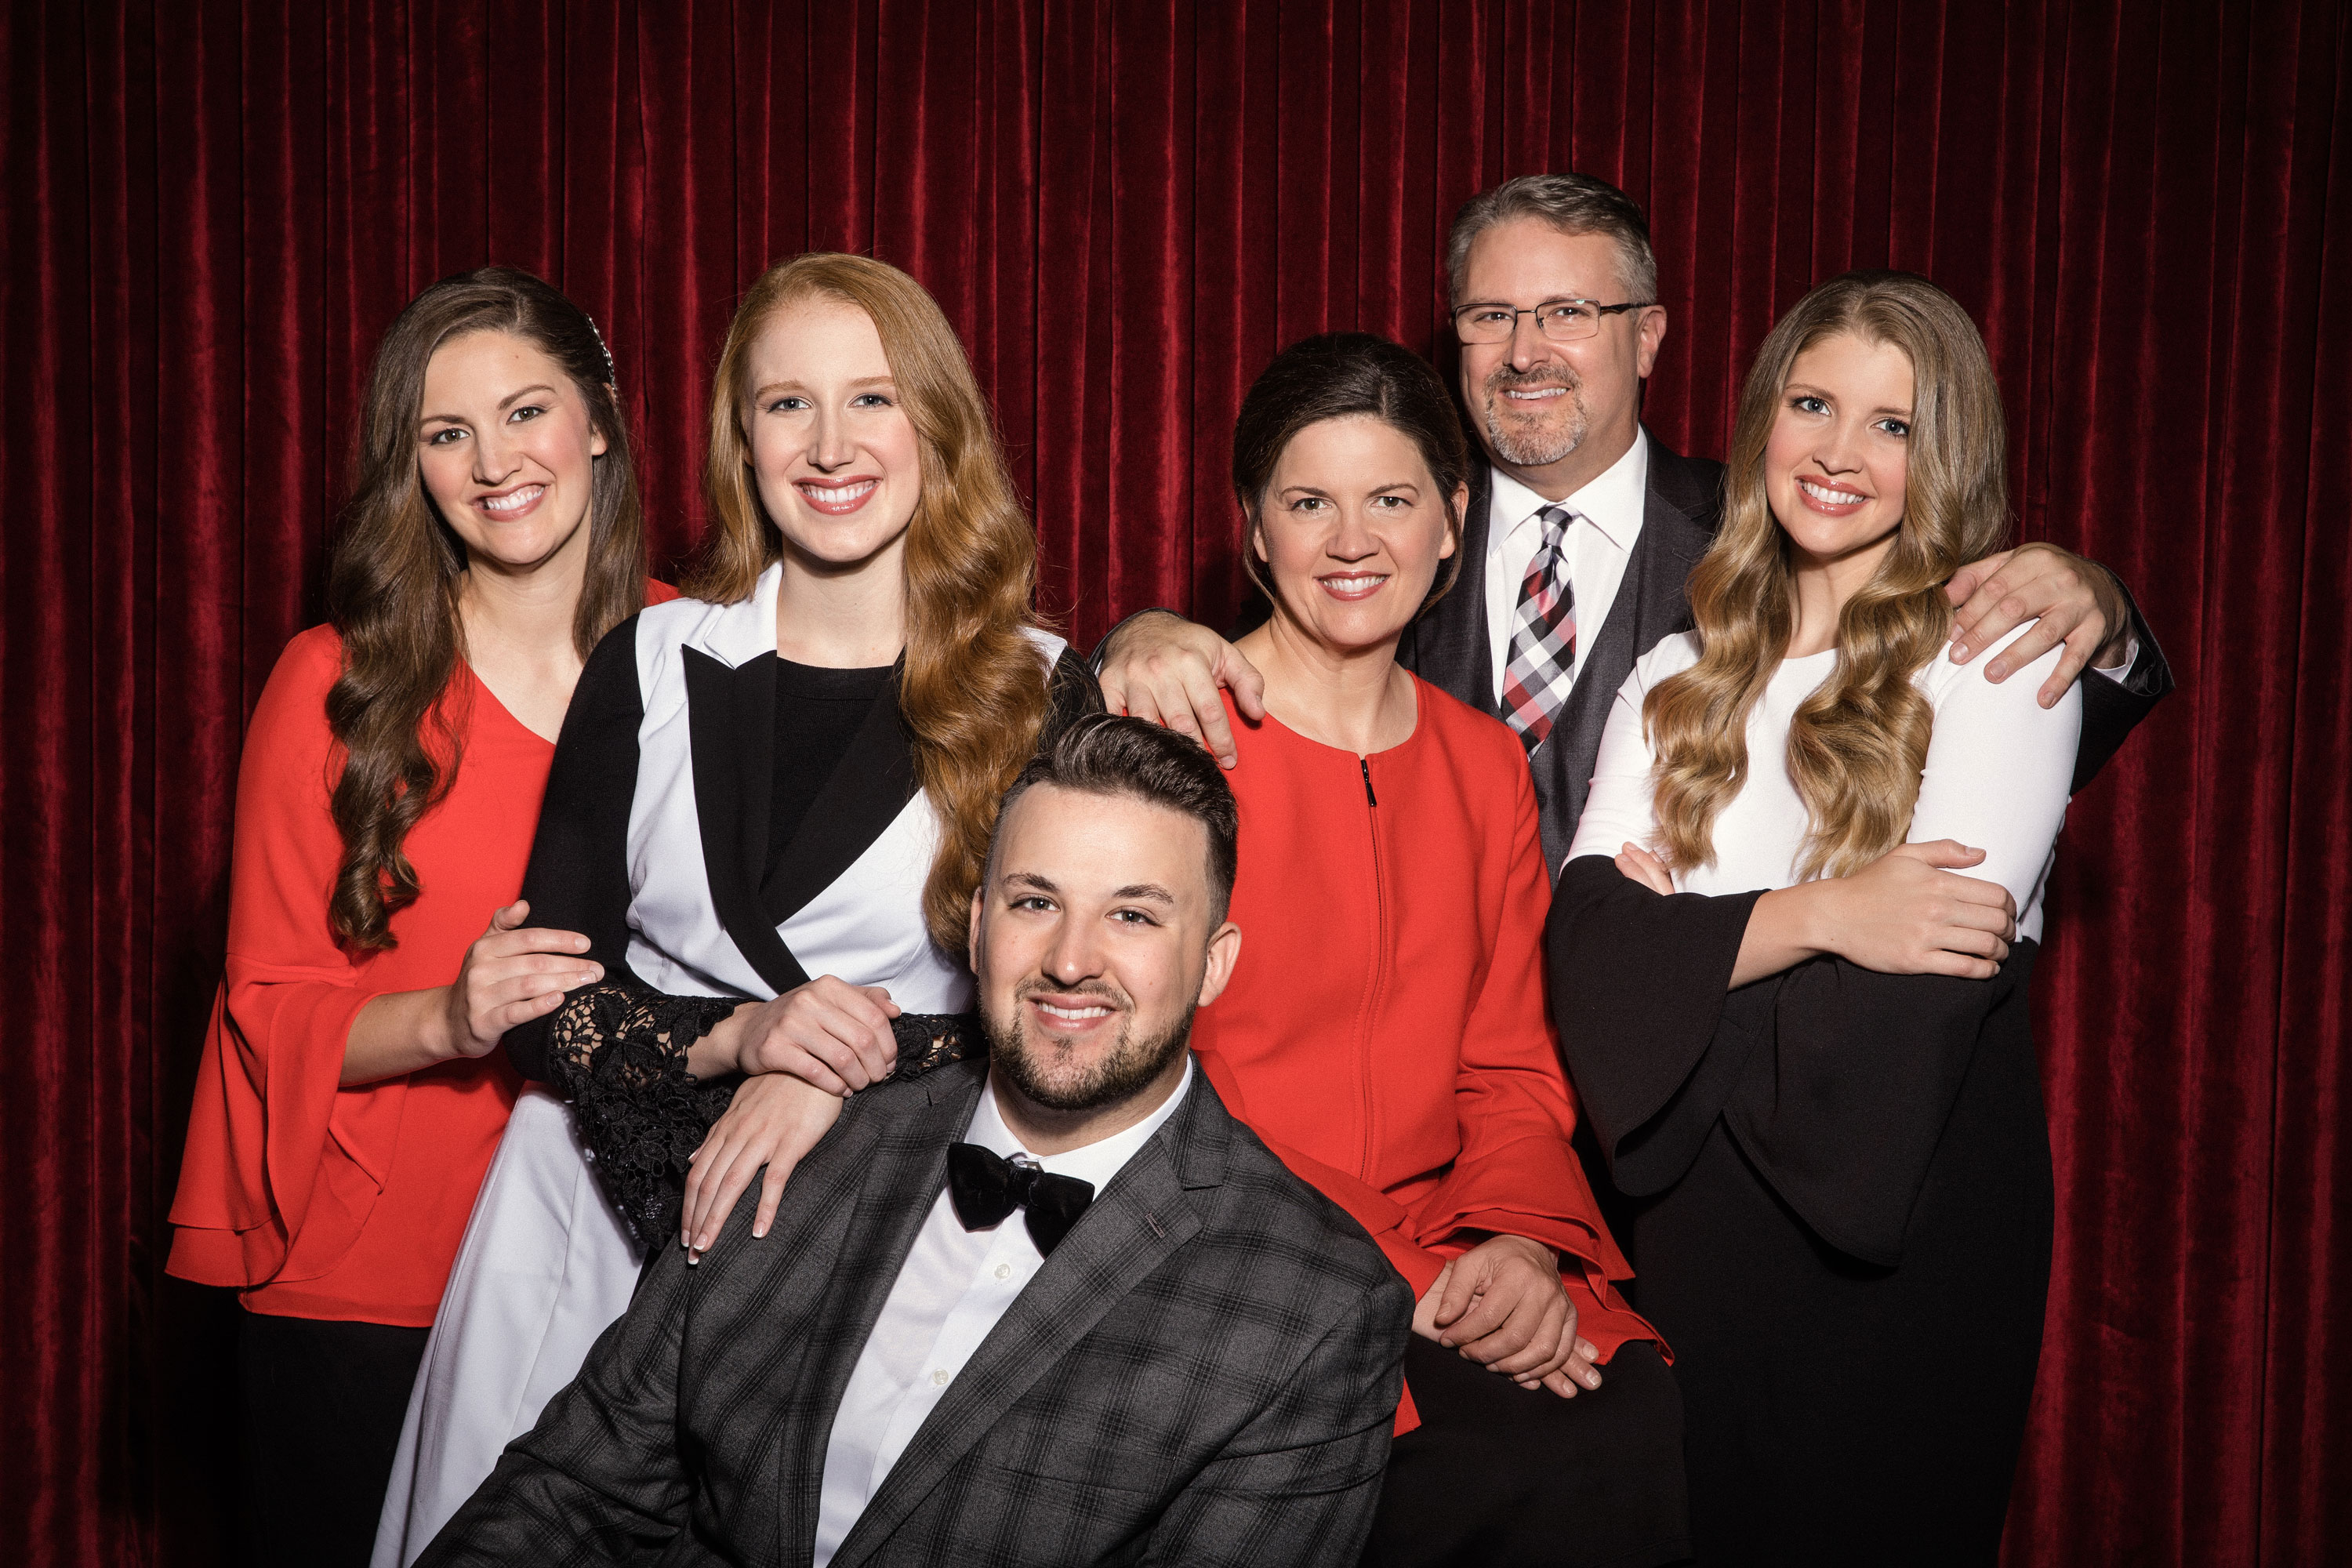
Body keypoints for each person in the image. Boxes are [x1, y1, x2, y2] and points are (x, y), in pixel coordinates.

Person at [372, 252, 1098, 1565]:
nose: (830, 445)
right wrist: (744, 1040)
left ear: (937, 422)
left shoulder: (1041, 688)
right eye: (786, 405)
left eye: (872, 398)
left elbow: (1068, 1012)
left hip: (870, 1239)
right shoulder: (649, 662)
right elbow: (538, 1005)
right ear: (740, 440)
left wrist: (835, 1071)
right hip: (584, 1230)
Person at [416, 714, 1413, 1566]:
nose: (1072, 959)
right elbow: (577, 1488)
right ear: (977, 927)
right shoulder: (802, 1141)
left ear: (1214, 962)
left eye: (1133, 915)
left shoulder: (1316, 1308)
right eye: (1035, 902)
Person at [1096, 173, 2168, 875]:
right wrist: (1140, 636)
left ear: (1649, 336)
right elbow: (1249, 680)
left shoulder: (1777, 526)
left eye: (1569, 313)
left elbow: (1976, 731)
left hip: (1686, 1084)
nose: (1526, 351)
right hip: (1437, 1078)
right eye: (1491, 316)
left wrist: (2103, 608)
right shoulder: (1393, 529)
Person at [1552, 271, 2082, 1563]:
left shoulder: (1997, 665)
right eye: (1812, 405)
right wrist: (1830, 912)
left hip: (1904, 1239)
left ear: (1942, 454)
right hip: (1687, 1244)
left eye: (1892, 425)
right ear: (1761, 422)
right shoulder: (1675, 676)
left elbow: (1909, 1016)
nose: (1840, 452)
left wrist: (1688, 958)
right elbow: (1589, 965)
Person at [165, 267, 670, 1566]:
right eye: (448, 433)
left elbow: (933, 658)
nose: (495, 463)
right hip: (377, 1275)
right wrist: (454, 1013)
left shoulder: (706, 657)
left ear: (599, 418)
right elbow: (268, 1007)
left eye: (526, 412)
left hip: (626, 1269)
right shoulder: (338, 682)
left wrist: (1146, 640)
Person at [1173, 332, 1686, 1568]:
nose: (1353, 542)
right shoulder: (1182, 738)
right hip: (1228, 1237)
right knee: (1471, 1469)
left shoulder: (1484, 760)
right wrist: (1411, 1277)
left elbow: (1510, 1065)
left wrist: (1521, 1247)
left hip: (1458, 1229)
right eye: (1310, 503)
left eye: (1392, 501)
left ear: (1454, 519)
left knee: (1633, 1421)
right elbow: (1164, 1080)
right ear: (1255, 530)